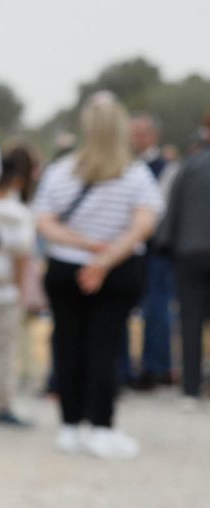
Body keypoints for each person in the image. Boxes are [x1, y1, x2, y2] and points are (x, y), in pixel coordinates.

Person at [32, 92, 162, 459]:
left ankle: (70, 425)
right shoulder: (135, 175)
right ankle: (102, 426)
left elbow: (45, 222)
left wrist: (84, 247)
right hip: (117, 269)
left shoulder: (61, 171)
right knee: (106, 347)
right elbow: (143, 225)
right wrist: (106, 259)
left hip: (66, 267)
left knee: (67, 344)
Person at [0, 150, 37, 427]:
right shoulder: (19, 213)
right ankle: (3, 403)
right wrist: (22, 292)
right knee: (5, 350)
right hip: (5, 290)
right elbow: (22, 256)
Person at [156, 108, 210, 404]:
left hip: (189, 253)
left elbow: (171, 208)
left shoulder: (188, 166)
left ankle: (190, 388)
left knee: (189, 322)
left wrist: (165, 245)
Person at [126, 114, 174, 390]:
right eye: (134, 133)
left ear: (153, 136)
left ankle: (154, 367)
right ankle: (124, 369)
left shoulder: (166, 168)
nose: (137, 139)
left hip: (155, 249)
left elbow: (160, 211)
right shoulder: (127, 166)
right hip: (130, 248)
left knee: (156, 311)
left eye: (142, 133)